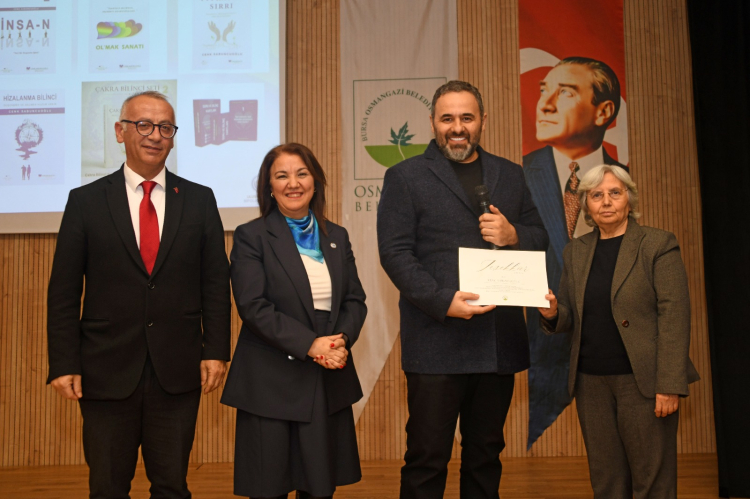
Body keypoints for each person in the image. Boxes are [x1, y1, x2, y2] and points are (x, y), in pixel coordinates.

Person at [46, 90, 231, 498]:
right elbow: (63, 291)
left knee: (171, 486)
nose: (155, 135)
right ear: (120, 131)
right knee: (108, 487)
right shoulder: (85, 201)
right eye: (144, 125)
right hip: (105, 370)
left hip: (178, 369)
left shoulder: (199, 200)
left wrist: (216, 350)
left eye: (165, 127)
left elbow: (216, 282)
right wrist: (63, 362)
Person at [377, 81, 548, 499]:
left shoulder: (510, 174)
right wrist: (443, 301)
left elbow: (540, 237)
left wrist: (513, 235)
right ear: (432, 122)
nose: (457, 127)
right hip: (436, 338)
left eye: (466, 118)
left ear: (483, 121)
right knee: (427, 458)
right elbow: (394, 253)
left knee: (485, 456)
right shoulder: (405, 176)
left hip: (497, 341)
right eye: (447, 118)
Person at [538, 165, 700, 498]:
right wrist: (553, 313)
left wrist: (669, 384)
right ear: (586, 204)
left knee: (652, 482)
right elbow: (570, 314)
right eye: (596, 195)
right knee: (607, 482)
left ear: (629, 198)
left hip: (643, 383)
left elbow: (675, 317)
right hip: (590, 383)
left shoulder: (657, 244)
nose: (606, 202)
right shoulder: (576, 251)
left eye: (615, 192)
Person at [221, 143, 367, 499]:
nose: (293, 183)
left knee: (319, 488)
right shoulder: (251, 236)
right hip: (271, 383)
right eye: (282, 176)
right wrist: (311, 345)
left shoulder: (337, 236)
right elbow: (253, 306)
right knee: (269, 489)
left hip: (325, 378)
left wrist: (340, 341)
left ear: (315, 181)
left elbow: (354, 300)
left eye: (302, 173)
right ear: (269, 187)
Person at [522, 56, 630, 444]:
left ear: (603, 111)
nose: (545, 104)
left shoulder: (625, 184)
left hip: (617, 353)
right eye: (543, 91)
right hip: (542, 354)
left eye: (565, 93)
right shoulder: (517, 177)